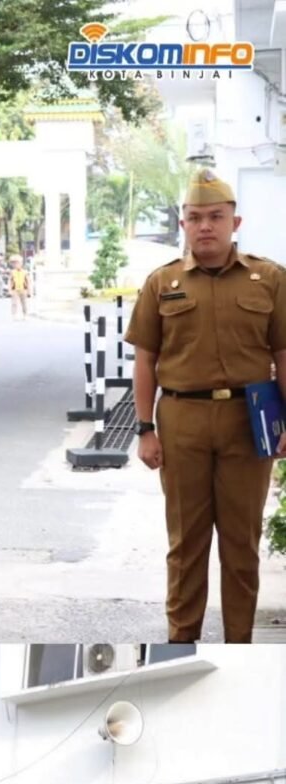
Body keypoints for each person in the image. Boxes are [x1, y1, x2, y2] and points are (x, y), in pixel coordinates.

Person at [125, 168, 286, 644]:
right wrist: (144, 428)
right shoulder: (163, 283)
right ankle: (181, 641)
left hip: (248, 421)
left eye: (216, 217)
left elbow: (282, 354)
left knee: (242, 545)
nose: (205, 226)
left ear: (235, 223)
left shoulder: (269, 279)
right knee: (186, 544)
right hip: (182, 422)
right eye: (195, 217)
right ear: (183, 224)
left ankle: (240, 644)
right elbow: (146, 360)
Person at [7, 256, 29, 320]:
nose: (16, 265)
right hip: (15, 290)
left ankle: (25, 315)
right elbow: (9, 281)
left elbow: (28, 281)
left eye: (17, 263)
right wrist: (9, 290)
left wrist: (29, 290)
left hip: (23, 289)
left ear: (21, 263)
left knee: (24, 303)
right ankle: (14, 315)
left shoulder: (25, 272)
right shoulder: (12, 272)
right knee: (14, 303)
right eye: (14, 263)